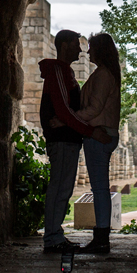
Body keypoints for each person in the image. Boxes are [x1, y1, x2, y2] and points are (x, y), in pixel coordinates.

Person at [38, 29, 109, 254]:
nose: (81, 50)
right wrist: (90, 131)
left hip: (67, 139)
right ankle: (51, 238)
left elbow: (67, 113)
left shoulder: (64, 72)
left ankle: (55, 235)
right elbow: (64, 111)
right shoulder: (58, 71)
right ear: (66, 45)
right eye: (77, 45)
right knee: (59, 188)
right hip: (61, 140)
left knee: (63, 188)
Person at [76, 32, 122, 255]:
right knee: (100, 188)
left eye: (91, 47)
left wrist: (71, 119)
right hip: (101, 133)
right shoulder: (104, 74)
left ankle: (102, 237)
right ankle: (101, 235)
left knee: (100, 189)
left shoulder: (103, 75)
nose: (88, 51)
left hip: (99, 135)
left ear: (100, 50)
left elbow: (94, 108)